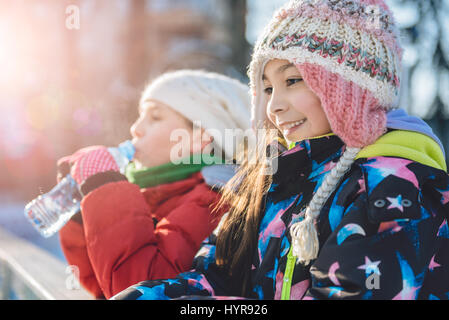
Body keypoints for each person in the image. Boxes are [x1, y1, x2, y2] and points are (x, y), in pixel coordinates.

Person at [112, 0, 449, 300]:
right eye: (267, 87)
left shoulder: (396, 187)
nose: (274, 106)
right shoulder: (270, 178)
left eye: (292, 81)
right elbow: (214, 277)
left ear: (349, 88)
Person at [57, 70, 252, 299]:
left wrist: (105, 189)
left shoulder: (215, 199)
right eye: (141, 115)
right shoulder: (158, 192)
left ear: (201, 138)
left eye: (155, 117)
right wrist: (84, 207)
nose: (136, 128)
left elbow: (137, 288)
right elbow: (102, 285)